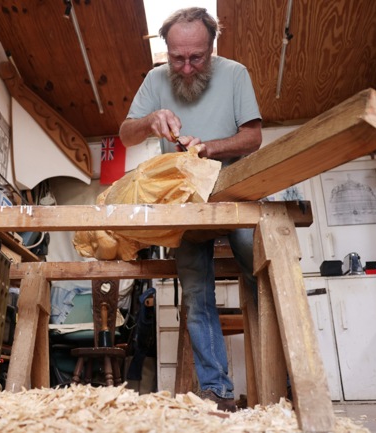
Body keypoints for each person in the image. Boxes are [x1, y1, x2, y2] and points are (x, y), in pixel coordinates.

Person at [119, 7, 262, 412]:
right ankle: (216, 391)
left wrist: (210, 148)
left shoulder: (235, 74)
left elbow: (253, 137)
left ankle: (281, 378)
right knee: (197, 292)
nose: (184, 68)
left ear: (212, 47)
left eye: (195, 58)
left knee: (259, 273)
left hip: (235, 192)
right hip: (186, 200)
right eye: (176, 58)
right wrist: (149, 121)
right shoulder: (155, 79)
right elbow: (125, 134)